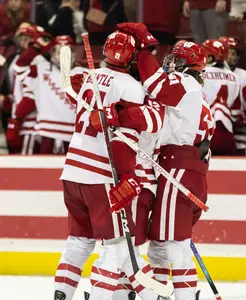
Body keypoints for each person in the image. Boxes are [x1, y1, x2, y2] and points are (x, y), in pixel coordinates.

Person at [55, 30, 168, 300]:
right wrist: (128, 175)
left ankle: (61, 294)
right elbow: (124, 140)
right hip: (102, 174)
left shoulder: (88, 79)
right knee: (116, 245)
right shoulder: (131, 86)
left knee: (79, 240)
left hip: (72, 170)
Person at [116, 22, 214, 300]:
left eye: (177, 60)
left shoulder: (187, 84)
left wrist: (145, 49)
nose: (171, 64)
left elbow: (156, 85)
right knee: (160, 244)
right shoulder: (197, 94)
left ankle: (185, 295)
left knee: (173, 244)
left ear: (191, 66)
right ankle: (159, 294)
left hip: (180, 170)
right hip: (181, 168)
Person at [6, 25, 53, 155]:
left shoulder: (37, 61)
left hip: (31, 122)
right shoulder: (24, 58)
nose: (23, 41)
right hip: (27, 121)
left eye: (27, 38)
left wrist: (17, 119)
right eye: (21, 38)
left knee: (26, 164)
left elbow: (32, 96)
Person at [30, 35, 76, 154]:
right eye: (59, 51)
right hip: (47, 131)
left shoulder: (81, 74)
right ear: (53, 52)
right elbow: (20, 65)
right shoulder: (42, 68)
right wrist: (42, 44)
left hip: (73, 133)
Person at [202, 39, 239, 155]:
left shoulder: (199, 73)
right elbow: (236, 113)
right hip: (228, 134)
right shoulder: (233, 76)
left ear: (209, 57)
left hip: (205, 135)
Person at [219, 36, 246, 155]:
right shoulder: (209, 73)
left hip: (239, 135)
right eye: (228, 53)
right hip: (217, 133)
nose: (232, 57)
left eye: (234, 54)